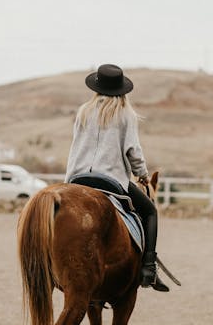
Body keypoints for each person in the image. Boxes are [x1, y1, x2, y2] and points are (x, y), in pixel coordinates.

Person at [65, 63, 169, 292]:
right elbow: (133, 151)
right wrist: (142, 175)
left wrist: (68, 181)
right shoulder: (125, 114)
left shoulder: (83, 111)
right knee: (150, 211)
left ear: (96, 87)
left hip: (77, 179)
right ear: (122, 90)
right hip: (110, 180)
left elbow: (75, 147)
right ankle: (149, 268)